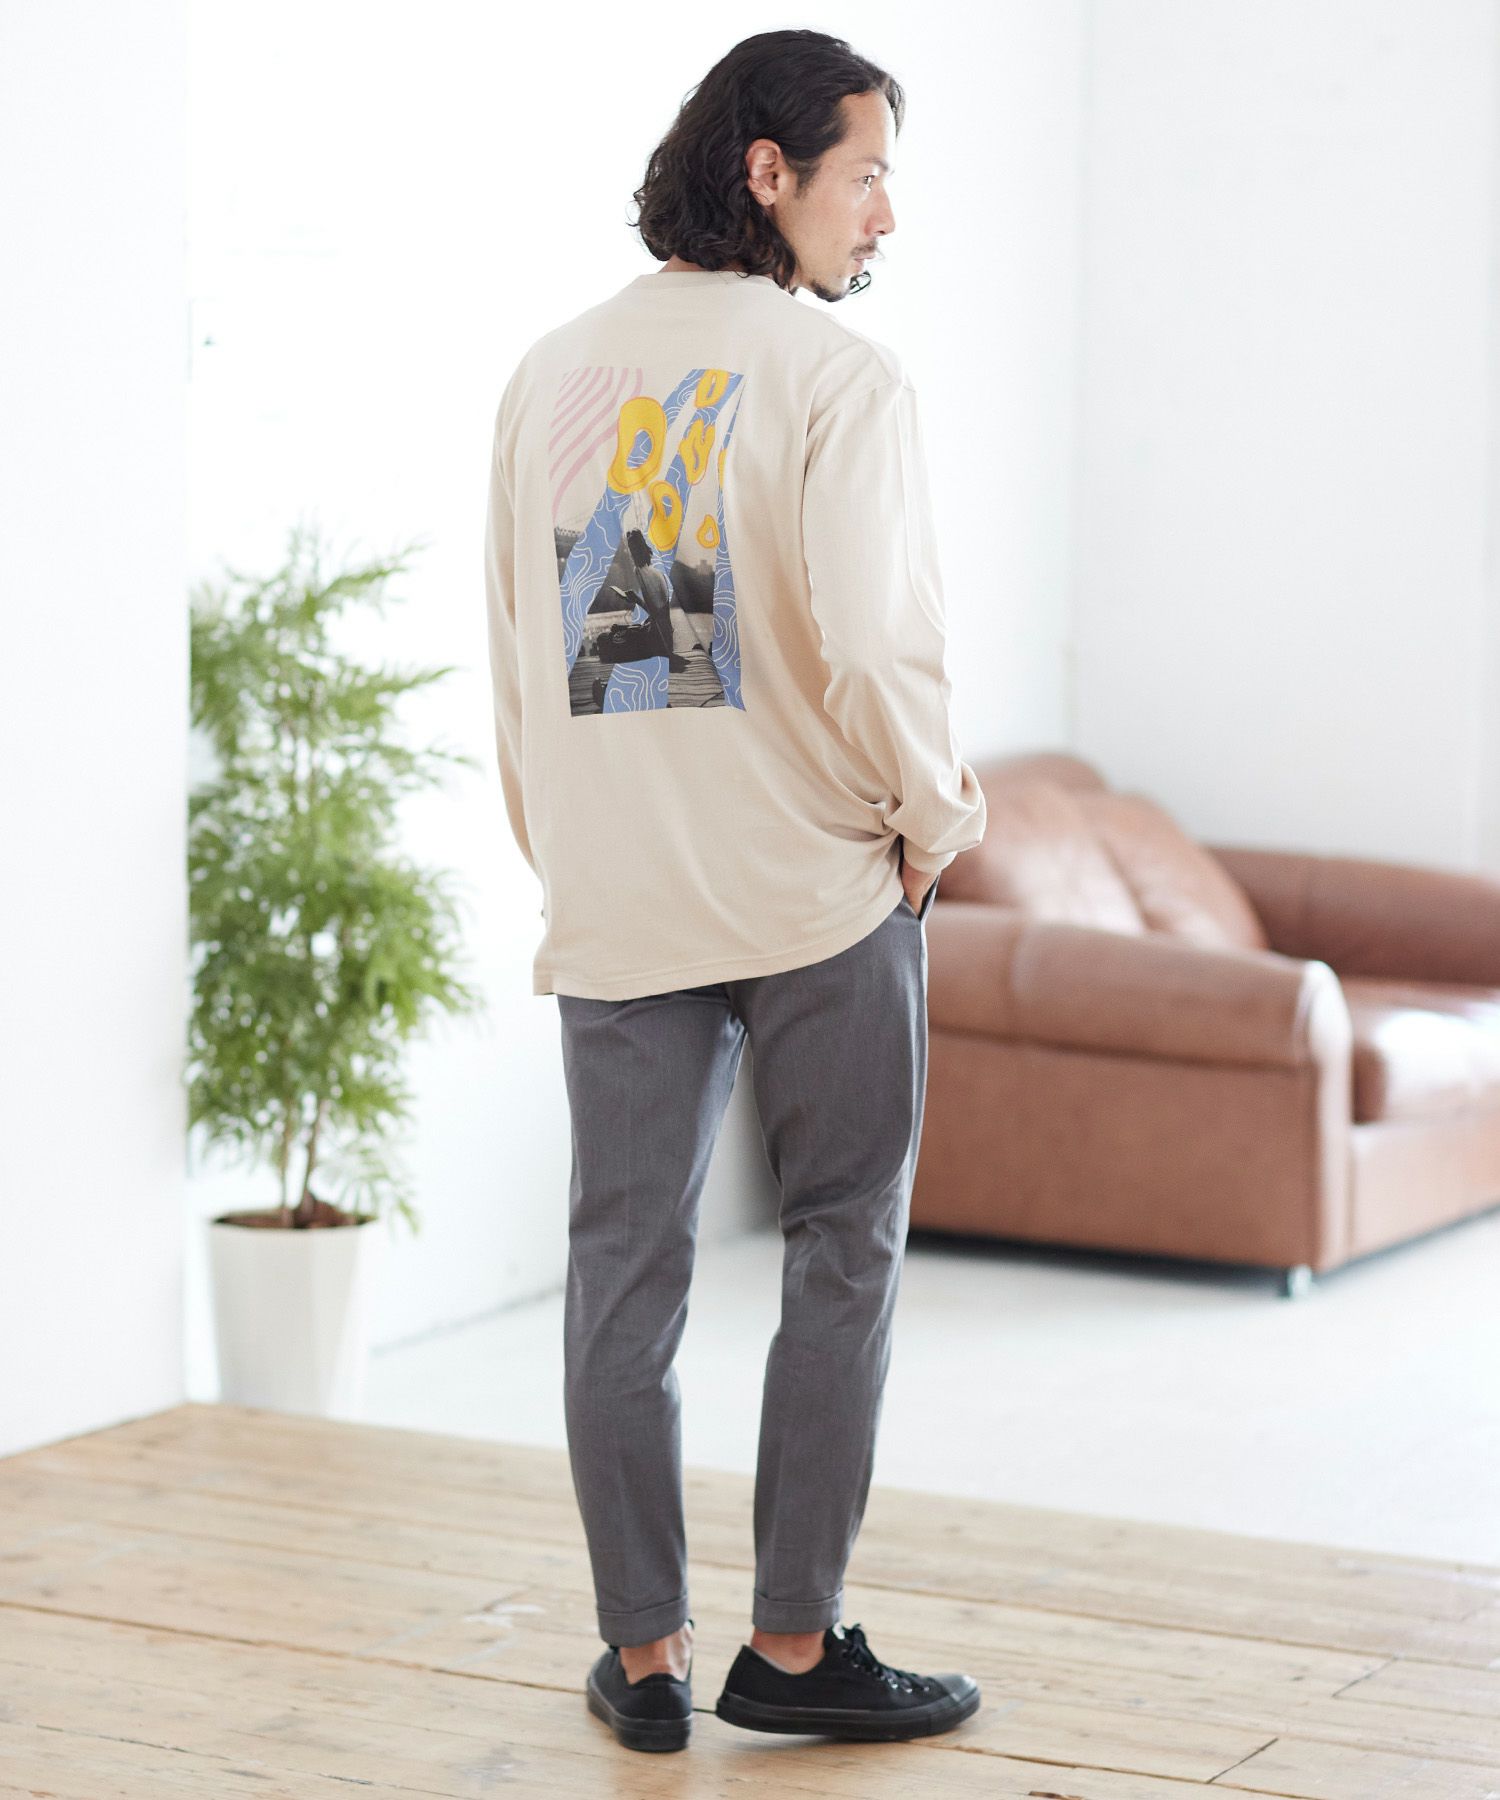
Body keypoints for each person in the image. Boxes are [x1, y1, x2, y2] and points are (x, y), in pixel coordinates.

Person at [483, 27, 986, 1755]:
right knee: (844, 1243)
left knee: (620, 1269)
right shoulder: (842, 382)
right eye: (867, 175)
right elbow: (877, 644)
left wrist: (572, 851)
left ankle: (643, 1663)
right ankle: (790, 1643)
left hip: (619, 896)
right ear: (769, 172)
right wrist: (936, 820)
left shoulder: (549, 375)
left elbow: (524, 655)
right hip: (819, 887)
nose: (886, 216)